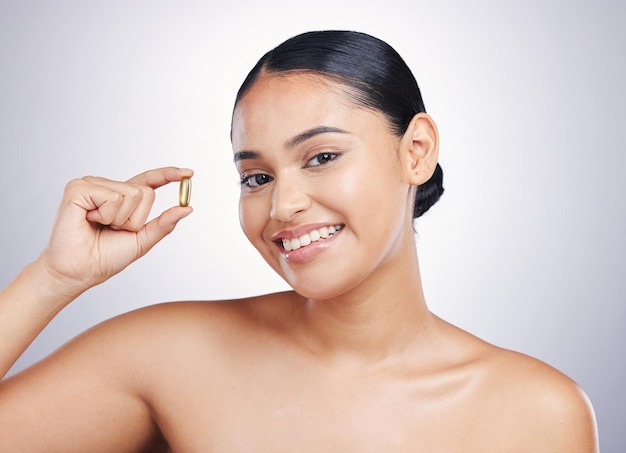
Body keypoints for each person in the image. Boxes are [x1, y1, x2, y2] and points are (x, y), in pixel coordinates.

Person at [0, 30, 598, 452]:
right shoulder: (169, 356)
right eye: (256, 177)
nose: (283, 205)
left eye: (322, 156)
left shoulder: (536, 412)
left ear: (416, 151)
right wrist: (52, 279)